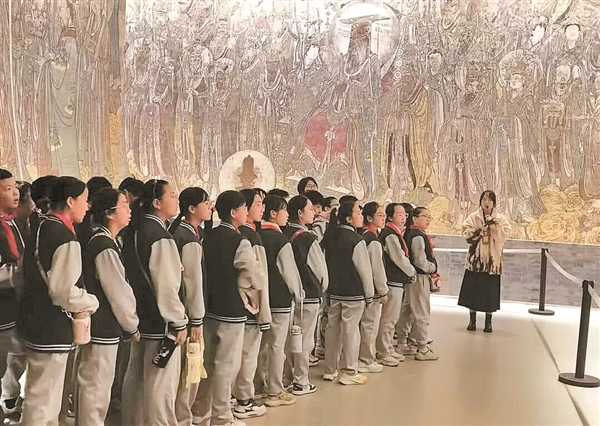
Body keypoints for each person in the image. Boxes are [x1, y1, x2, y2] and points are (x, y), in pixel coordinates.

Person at [18, 176, 100, 425]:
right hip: (52, 327)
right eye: (85, 200)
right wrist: (90, 301)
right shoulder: (64, 237)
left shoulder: (41, 225)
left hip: (33, 320)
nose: (87, 206)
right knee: (45, 402)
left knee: (39, 396)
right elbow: (62, 291)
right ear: (70, 201)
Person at [120, 179, 188, 426]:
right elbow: (167, 285)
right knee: (160, 384)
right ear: (157, 203)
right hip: (161, 322)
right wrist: (178, 321)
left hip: (140, 315)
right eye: (172, 195)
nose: (176, 200)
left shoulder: (134, 230)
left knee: (137, 379)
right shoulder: (159, 235)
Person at [193, 190, 264, 426]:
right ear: (234, 212)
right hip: (231, 310)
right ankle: (222, 416)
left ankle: (200, 413)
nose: (246, 212)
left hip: (208, 307)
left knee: (207, 365)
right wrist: (246, 289)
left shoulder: (207, 236)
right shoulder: (239, 240)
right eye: (244, 208)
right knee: (227, 366)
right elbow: (254, 274)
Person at [77, 188, 139, 426]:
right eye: (124, 205)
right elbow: (117, 291)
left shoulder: (107, 241)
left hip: (104, 326)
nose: (129, 210)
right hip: (102, 326)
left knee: (97, 385)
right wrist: (131, 325)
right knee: (96, 387)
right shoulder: (103, 245)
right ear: (109, 213)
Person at [169, 187, 212, 425]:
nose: (210, 207)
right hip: (187, 314)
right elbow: (192, 282)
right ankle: (183, 418)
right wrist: (196, 319)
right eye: (205, 203)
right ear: (192, 209)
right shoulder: (186, 237)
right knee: (190, 367)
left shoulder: (191, 233)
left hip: (186, 313)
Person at [321, 197, 374, 385]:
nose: (361, 216)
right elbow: (364, 271)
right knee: (351, 331)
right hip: (353, 293)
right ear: (349, 219)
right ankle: (349, 371)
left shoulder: (329, 237)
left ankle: (330, 369)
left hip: (334, 291)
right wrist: (369, 295)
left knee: (332, 329)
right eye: (358, 213)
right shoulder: (356, 240)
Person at [256, 195, 303, 407]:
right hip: (280, 301)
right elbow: (290, 273)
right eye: (284, 210)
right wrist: (298, 295)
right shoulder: (280, 239)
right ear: (273, 213)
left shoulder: (256, 235)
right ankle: (274, 390)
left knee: (261, 346)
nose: (287, 215)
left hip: (260, 300)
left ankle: (258, 385)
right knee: (276, 346)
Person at [284, 195, 328, 395]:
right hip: (308, 295)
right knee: (305, 340)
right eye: (310, 209)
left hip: (287, 296)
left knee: (287, 340)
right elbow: (320, 271)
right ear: (300, 213)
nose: (314, 213)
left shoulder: (282, 232)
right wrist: (321, 288)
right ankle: (301, 380)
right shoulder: (307, 238)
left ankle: (285, 378)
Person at [232, 189, 269, 420]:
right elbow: (258, 279)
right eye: (256, 204)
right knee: (246, 356)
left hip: (232, 308)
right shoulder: (249, 237)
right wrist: (262, 313)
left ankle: (234, 398)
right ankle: (243, 400)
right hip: (249, 308)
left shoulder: (230, 234)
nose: (261, 208)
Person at [458, 190, 511, 333]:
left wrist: (493, 225)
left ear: (494, 203)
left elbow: (504, 234)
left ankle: (488, 322)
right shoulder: (473, 217)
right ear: (480, 202)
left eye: (489, 200)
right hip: (476, 260)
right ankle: (472, 320)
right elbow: (465, 232)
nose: (486, 203)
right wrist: (478, 230)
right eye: (484, 199)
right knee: (473, 290)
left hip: (492, 261)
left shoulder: (500, 218)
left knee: (490, 292)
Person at [0, 170, 25, 420]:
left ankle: (10, 400)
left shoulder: (11, 221)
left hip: (15, 304)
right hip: (2, 307)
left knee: (15, 357)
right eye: (8, 189)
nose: (15, 193)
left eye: (15, 187)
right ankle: (7, 401)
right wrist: (19, 273)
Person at [376, 203, 416, 359]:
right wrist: (411, 272)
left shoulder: (396, 233)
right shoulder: (390, 235)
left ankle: (387, 348)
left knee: (392, 318)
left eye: (405, 214)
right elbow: (399, 258)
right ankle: (383, 351)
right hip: (392, 281)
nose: (403, 217)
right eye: (399, 214)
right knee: (389, 318)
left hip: (397, 281)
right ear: (390, 217)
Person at [403, 207, 439, 361]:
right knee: (421, 311)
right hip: (419, 277)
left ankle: (403, 342)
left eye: (430, 217)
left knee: (407, 310)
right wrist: (432, 268)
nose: (428, 219)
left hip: (412, 277)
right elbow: (419, 260)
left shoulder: (413, 233)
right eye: (425, 216)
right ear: (415, 218)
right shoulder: (417, 236)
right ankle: (422, 347)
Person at [358, 202, 390, 372]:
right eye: (380, 215)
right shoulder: (372, 240)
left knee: (364, 325)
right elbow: (377, 268)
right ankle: (366, 359)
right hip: (372, 290)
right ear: (369, 218)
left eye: (384, 215)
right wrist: (383, 290)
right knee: (370, 325)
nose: (383, 218)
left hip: (362, 288)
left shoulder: (361, 235)